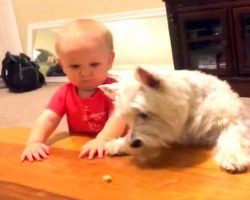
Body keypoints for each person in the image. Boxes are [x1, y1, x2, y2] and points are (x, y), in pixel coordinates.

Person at [21, 19, 127, 162]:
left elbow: (119, 118)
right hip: (80, 147)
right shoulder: (64, 92)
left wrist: (103, 139)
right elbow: (48, 118)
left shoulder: (114, 90)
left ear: (109, 60)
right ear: (62, 65)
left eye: (94, 64)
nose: (84, 73)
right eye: (75, 66)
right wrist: (34, 142)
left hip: (114, 145)